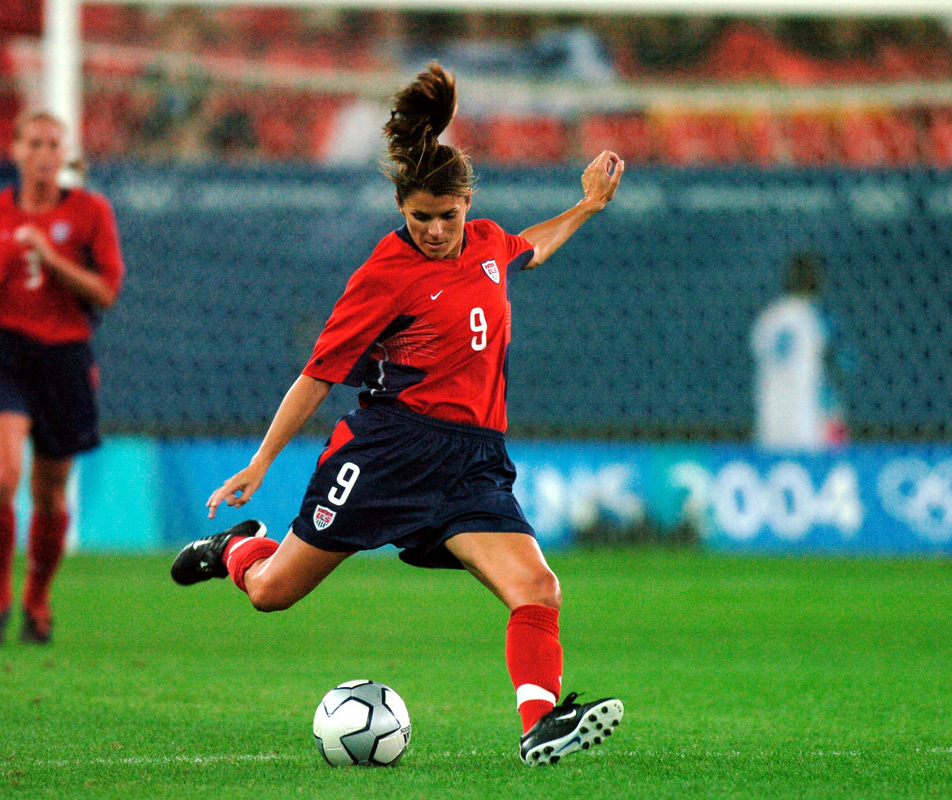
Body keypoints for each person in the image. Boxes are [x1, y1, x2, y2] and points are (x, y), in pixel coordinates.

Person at [171, 63, 625, 766]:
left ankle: (539, 724)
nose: (438, 230)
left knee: (538, 586)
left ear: (467, 204)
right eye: (422, 218)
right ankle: (235, 547)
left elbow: (529, 246)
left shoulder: (488, 247)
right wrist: (261, 462)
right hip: (386, 454)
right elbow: (317, 377)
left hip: (474, 461)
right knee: (270, 592)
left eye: (449, 215)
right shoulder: (385, 274)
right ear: (401, 210)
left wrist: (586, 205)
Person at [0, 110, 124, 646]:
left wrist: (51, 259)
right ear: (14, 150)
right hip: (4, 353)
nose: (44, 153)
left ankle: (37, 599)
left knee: (51, 495)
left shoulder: (89, 211)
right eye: (34, 143)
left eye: (54, 144)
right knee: (3, 477)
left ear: (64, 154)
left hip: (65, 357)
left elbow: (105, 292)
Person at [750, 249, 848, 450]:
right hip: (809, 414)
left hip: (771, 412)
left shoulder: (767, 318)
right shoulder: (817, 316)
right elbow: (845, 364)